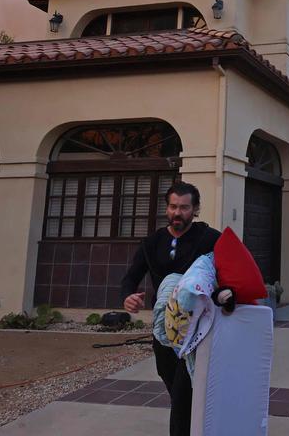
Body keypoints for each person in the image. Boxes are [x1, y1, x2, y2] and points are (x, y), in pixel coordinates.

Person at [121, 181, 221, 436]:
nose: (178, 213)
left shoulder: (210, 238)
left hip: (198, 328)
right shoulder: (152, 242)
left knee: (183, 392)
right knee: (174, 386)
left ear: (196, 209)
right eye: (173, 206)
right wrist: (128, 297)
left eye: (184, 207)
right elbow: (131, 277)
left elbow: (227, 274)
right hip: (162, 330)